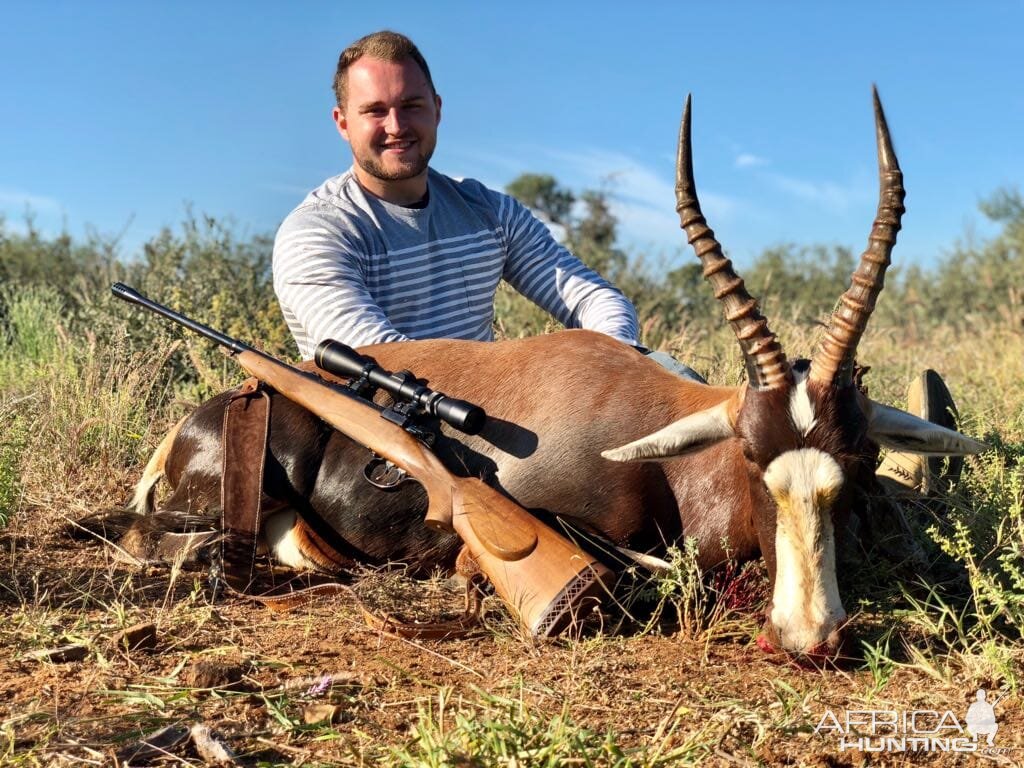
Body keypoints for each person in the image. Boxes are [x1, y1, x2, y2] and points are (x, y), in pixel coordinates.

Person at [273, 29, 675, 370]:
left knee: (673, 374)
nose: (396, 127)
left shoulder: (489, 212)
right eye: (375, 111)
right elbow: (379, 357)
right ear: (343, 123)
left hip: (491, 414)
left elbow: (592, 297)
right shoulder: (317, 231)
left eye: (411, 106)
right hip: (372, 438)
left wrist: (615, 366)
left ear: (437, 109)